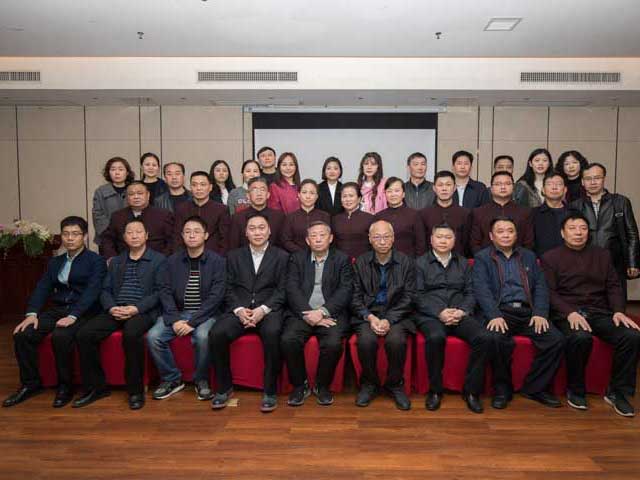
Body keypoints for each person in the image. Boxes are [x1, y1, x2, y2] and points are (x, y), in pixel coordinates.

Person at [542, 213, 640, 417]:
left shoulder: (602, 255)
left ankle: (617, 392)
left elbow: (613, 285)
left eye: (583, 228)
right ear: (563, 233)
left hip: (599, 312)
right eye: (572, 228)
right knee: (580, 337)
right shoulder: (550, 257)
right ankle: (576, 390)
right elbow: (549, 292)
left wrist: (618, 311)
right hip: (568, 313)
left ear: (589, 232)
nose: (578, 232)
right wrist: (569, 312)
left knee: (631, 336)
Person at [2, 217, 107, 408]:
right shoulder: (55, 262)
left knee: (61, 336)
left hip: (84, 311)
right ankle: (30, 384)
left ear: (84, 236)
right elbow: (42, 288)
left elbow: (93, 291)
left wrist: (73, 316)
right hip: (59, 309)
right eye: (66, 234)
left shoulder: (96, 261)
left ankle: (65, 387)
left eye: (75, 234)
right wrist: (31, 314)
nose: (70, 238)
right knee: (23, 335)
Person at [74, 219, 168, 410]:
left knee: (131, 334)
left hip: (142, 311)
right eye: (130, 232)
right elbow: (105, 289)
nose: (134, 236)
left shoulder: (159, 260)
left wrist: (136, 308)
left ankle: (135, 391)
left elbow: (161, 292)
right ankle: (97, 388)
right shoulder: (116, 261)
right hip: (116, 309)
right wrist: (111, 308)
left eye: (138, 232)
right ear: (124, 237)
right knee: (84, 334)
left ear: (146, 236)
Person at [473, 217, 565, 409]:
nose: (506, 235)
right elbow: (481, 289)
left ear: (516, 234)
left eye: (510, 231)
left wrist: (540, 313)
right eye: (500, 231)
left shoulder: (528, 256)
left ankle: (534, 388)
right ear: (491, 236)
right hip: (501, 311)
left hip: (527, 312)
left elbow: (541, 286)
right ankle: (502, 390)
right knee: (496, 338)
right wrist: (494, 315)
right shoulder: (483, 257)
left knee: (555, 339)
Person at [209, 214, 289, 412]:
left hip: (268, 310)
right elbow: (227, 288)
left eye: (261, 228)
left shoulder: (282, 256)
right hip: (240, 309)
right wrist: (238, 310)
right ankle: (224, 388)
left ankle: (270, 391)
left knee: (273, 333)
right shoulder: (233, 256)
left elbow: (283, 290)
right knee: (217, 333)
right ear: (246, 233)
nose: (257, 232)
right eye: (252, 229)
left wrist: (263, 309)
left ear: (269, 231)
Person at [414, 224, 495, 414]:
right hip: (431, 315)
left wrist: (462, 310)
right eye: (439, 237)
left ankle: (471, 391)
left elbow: (471, 292)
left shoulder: (464, 263)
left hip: (459, 313)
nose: (443, 241)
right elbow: (417, 295)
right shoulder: (419, 263)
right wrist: (439, 312)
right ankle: (435, 390)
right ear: (431, 240)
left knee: (484, 337)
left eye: (448, 237)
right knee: (435, 337)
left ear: (454, 241)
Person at [148, 216, 226, 402]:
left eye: (196, 231)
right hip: (177, 312)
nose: (192, 235)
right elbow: (165, 291)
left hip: (206, 314)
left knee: (203, 336)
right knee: (154, 336)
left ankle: (201, 380)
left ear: (206, 235)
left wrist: (192, 322)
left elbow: (216, 297)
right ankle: (172, 379)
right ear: (182, 236)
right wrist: (175, 319)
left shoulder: (218, 262)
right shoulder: (171, 261)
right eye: (187, 232)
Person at [281, 221, 353, 407]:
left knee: (333, 343)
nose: (318, 239)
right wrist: (308, 314)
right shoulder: (296, 259)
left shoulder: (342, 259)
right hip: (302, 312)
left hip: (330, 313)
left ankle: (322, 385)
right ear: (307, 240)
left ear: (331, 238)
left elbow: (345, 290)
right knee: (288, 339)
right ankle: (300, 385)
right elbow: (291, 288)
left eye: (322, 235)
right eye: (314, 236)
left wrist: (321, 312)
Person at [351, 220, 415, 410]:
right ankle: (369, 384)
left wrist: (389, 319)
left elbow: (410, 296)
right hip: (368, 314)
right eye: (377, 237)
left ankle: (395, 384)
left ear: (393, 238)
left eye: (386, 236)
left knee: (396, 341)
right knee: (366, 341)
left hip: (397, 314)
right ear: (370, 239)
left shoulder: (406, 262)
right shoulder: (360, 262)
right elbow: (354, 297)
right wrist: (370, 317)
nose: (382, 241)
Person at [570, 162, 640, 297]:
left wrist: (633, 263)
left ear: (604, 179)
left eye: (597, 178)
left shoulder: (620, 202)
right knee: (589, 302)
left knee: (617, 302)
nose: (593, 182)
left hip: (615, 263)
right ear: (582, 182)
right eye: (588, 179)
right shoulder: (575, 206)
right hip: (585, 264)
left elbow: (632, 234)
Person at [101, 181, 174, 259]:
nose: (136, 197)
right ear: (127, 197)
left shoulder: (163, 215)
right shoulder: (117, 216)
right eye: (131, 194)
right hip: (124, 261)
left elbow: (172, 241)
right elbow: (107, 239)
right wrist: (112, 257)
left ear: (148, 195)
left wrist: (163, 259)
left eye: (140, 193)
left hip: (156, 261)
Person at [469, 171, 533, 254]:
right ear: (491, 188)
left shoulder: (525, 212)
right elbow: (475, 244)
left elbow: (528, 243)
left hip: (518, 259)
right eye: (498, 184)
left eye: (507, 184)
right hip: (486, 259)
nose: (503, 187)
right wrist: (484, 259)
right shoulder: (479, 212)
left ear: (513, 187)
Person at [173, 171, 230, 255]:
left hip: (213, 257)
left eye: (203, 184)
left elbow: (225, 239)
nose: (198, 188)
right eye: (194, 185)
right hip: (186, 257)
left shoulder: (221, 210)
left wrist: (219, 259)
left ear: (210, 187)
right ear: (190, 187)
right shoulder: (181, 209)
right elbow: (177, 237)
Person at [420, 170, 471, 255]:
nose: (444, 189)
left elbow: (466, 243)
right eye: (440, 185)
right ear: (434, 188)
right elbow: (422, 243)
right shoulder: (424, 214)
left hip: (458, 260)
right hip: (430, 261)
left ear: (454, 188)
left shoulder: (465, 214)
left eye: (448, 185)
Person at [227, 177, 286, 249]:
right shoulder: (238, 218)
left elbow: (283, 245)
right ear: (248, 195)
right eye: (254, 190)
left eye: (262, 190)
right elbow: (233, 247)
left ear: (268, 195)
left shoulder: (279, 217)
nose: (259, 193)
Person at [374, 177, 426, 257]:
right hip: (384, 261)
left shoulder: (414, 215)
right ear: (385, 194)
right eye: (389, 191)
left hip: (408, 261)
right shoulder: (379, 216)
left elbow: (420, 243)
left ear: (403, 194)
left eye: (397, 191)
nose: (393, 194)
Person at [92, 156, 135, 250]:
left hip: (132, 237)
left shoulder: (134, 189)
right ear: (108, 172)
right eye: (113, 169)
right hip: (107, 237)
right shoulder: (100, 191)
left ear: (127, 172)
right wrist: (112, 233)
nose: (117, 173)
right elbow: (98, 215)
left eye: (121, 169)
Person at [281, 179, 331, 253]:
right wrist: (302, 253)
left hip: (321, 255)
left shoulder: (325, 216)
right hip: (296, 256)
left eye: (312, 193)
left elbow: (328, 238)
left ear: (317, 196)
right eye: (304, 192)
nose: (308, 196)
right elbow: (286, 240)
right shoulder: (290, 217)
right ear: (299, 195)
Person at [331, 182, 374, 260]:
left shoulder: (370, 218)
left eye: (351, 196)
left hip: (364, 262)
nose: (347, 199)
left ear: (359, 199)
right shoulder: (335, 219)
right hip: (340, 263)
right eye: (344, 196)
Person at [531, 173, 570, 257]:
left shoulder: (574, 213)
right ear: (543, 190)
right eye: (549, 184)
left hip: (570, 260)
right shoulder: (532, 214)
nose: (554, 187)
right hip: (541, 261)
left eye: (559, 184)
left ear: (565, 189)